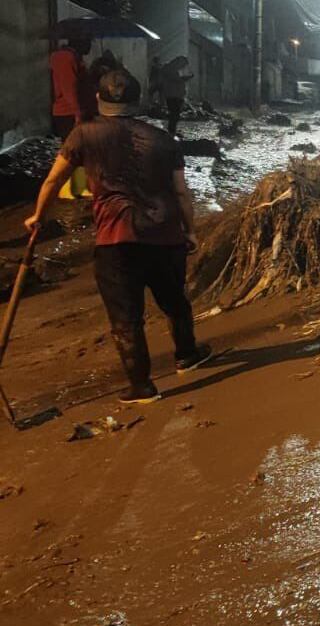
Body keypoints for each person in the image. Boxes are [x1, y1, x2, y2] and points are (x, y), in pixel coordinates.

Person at [24, 69, 213, 404]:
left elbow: (53, 181)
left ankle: (141, 386)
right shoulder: (164, 139)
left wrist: (39, 216)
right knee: (175, 303)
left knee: (126, 317)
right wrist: (190, 231)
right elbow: (181, 193)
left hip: (116, 241)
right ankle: (187, 355)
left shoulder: (83, 135)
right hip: (164, 235)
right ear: (137, 101)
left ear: (98, 99)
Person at [49, 38, 93, 139]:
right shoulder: (66, 57)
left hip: (71, 111)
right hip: (68, 112)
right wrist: (78, 113)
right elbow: (69, 88)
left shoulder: (72, 57)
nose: (90, 46)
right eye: (88, 40)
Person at [160, 56, 192, 137]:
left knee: (175, 114)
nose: (184, 66)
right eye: (183, 64)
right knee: (174, 114)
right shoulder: (169, 69)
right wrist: (185, 78)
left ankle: (172, 131)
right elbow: (175, 79)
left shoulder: (173, 69)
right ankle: (171, 132)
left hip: (176, 95)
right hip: (173, 95)